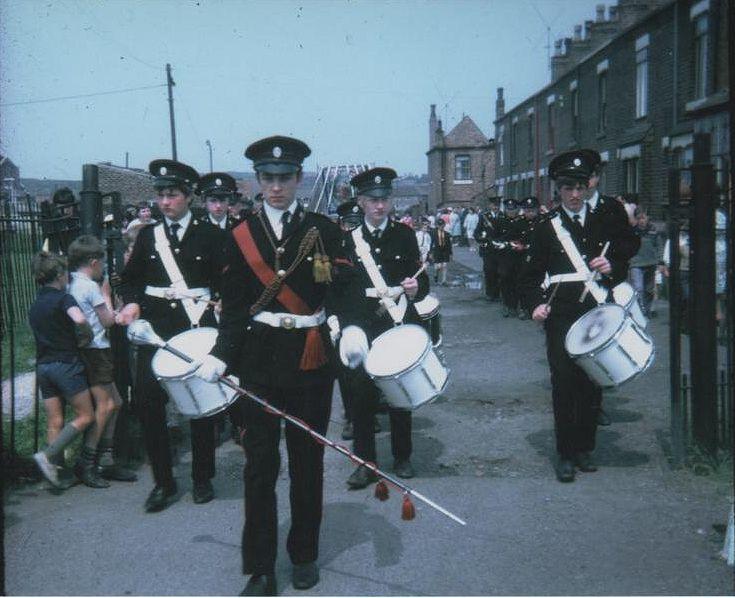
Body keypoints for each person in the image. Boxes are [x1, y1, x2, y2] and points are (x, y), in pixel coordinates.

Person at [196, 136, 345, 596]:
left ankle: (304, 555)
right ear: (257, 181)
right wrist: (222, 353)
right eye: (268, 179)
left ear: (299, 179)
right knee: (260, 466)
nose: (276, 187)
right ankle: (260, 569)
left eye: (285, 178)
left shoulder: (325, 229)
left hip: (310, 359)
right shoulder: (239, 232)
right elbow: (236, 304)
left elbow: (340, 288)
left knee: (307, 461)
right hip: (258, 362)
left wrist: (351, 325)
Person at [519, 149, 638, 483]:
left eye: (580, 187)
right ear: (558, 189)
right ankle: (565, 454)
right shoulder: (546, 227)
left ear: (588, 187)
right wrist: (536, 305)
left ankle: (585, 448)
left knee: (592, 381)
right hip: (562, 314)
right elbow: (528, 278)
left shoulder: (605, 218)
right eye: (567, 188)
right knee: (563, 381)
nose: (574, 195)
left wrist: (612, 265)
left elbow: (625, 255)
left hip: (598, 310)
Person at [116, 159, 224, 512]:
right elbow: (130, 280)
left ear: (189, 196)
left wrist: (221, 305)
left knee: (200, 404)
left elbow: (227, 282)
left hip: (196, 327)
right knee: (148, 403)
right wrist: (131, 304)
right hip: (157, 332)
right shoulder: (148, 235)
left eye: (172, 194)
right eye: (161, 195)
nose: (165, 202)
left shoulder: (212, 235)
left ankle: (202, 477)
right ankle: (163, 481)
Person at [335, 167, 430, 490]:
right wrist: (346, 327)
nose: (379, 206)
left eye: (385, 199)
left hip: (398, 321)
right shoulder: (346, 241)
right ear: (360, 202)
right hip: (363, 326)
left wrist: (416, 288)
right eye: (372, 200)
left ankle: (403, 456)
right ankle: (365, 463)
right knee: (361, 399)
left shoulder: (404, 235)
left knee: (399, 393)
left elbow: (422, 280)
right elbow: (340, 289)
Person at [67, 235, 137, 485]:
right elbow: (107, 321)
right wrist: (109, 298)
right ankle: (86, 463)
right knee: (106, 406)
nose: (104, 268)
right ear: (94, 262)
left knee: (115, 403)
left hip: (89, 351)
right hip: (97, 351)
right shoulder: (90, 287)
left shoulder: (72, 282)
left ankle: (106, 460)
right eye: (102, 263)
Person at [29, 251, 96, 488]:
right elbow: (78, 319)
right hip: (66, 365)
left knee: (55, 420)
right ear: (59, 274)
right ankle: (47, 456)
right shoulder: (64, 298)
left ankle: (53, 475)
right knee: (86, 415)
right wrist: (87, 333)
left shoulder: (36, 304)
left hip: (43, 367)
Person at [628, 208, 662, 318]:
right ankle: (640, 311)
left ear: (647, 218)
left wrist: (660, 261)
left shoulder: (653, 230)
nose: (641, 221)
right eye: (639, 218)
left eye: (643, 218)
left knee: (649, 290)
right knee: (638, 288)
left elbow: (659, 246)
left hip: (651, 263)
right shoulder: (632, 231)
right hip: (636, 264)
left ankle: (647, 309)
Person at [515, 196, 542, 320]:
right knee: (523, 282)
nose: (529, 213)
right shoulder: (519, 222)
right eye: (527, 211)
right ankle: (525, 308)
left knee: (539, 283)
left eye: (532, 211)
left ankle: (537, 308)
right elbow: (513, 237)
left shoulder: (543, 221)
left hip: (540, 258)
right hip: (523, 258)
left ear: (537, 210)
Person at [496, 198, 523, 317]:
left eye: (513, 209)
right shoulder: (500, 221)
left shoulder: (521, 221)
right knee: (505, 280)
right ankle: (507, 305)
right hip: (505, 257)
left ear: (517, 210)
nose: (511, 212)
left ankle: (516, 306)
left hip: (519, 256)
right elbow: (495, 238)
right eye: (508, 209)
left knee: (518, 281)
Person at [474, 197, 502, 301]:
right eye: (494, 205)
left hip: (500, 249)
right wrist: (482, 240)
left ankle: (498, 294)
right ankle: (490, 294)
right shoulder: (484, 217)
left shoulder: (503, 216)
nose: (496, 207)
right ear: (490, 205)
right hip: (488, 250)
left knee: (499, 272)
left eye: (497, 205)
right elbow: (477, 232)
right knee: (489, 271)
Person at [430, 219, 452, 285]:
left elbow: (449, 244)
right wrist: (430, 252)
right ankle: (436, 274)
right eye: (439, 225)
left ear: (444, 225)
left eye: (442, 225)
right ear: (437, 225)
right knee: (438, 266)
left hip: (445, 251)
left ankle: (444, 280)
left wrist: (450, 253)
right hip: (437, 251)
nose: (441, 227)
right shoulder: (433, 233)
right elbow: (431, 243)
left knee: (444, 265)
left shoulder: (447, 234)